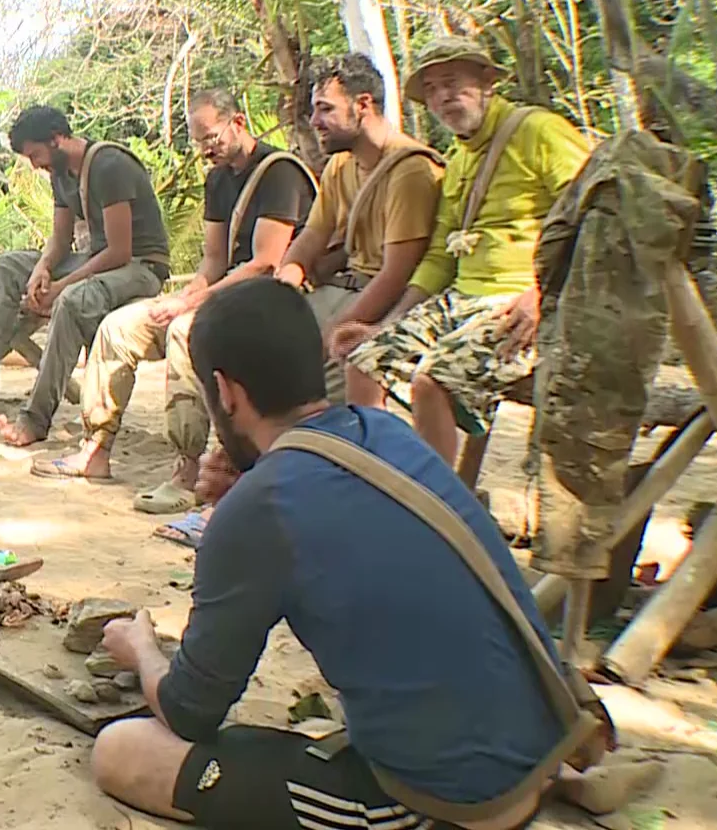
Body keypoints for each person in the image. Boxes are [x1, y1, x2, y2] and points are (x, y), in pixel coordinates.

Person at [90, 278, 627, 830]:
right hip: (542, 743)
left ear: (225, 392)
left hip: (454, 803)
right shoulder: (388, 433)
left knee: (122, 750)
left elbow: (189, 709)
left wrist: (142, 651)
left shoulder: (259, 507)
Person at [34, 90, 313, 525]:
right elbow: (213, 261)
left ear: (238, 122)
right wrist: (184, 295)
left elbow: (265, 262)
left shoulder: (279, 174)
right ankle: (96, 447)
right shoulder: (218, 179)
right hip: (221, 292)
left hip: (267, 300)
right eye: (198, 140)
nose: (206, 148)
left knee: (186, 331)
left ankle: (188, 467)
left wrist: (193, 302)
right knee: (118, 327)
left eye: (211, 136)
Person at [330, 37, 593, 468]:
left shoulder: (539, 131)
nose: (441, 97)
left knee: (431, 381)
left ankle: (438, 507)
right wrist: (389, 323)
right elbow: (439, 257)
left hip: (521, 305)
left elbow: (594, 217)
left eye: (452, 83)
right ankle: (376, 483)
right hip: (460, 302)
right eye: (430, 90)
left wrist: (542, 296)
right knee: (363, 361)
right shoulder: (458, 158)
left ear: (488, 82)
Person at [0, 105, 169, 445]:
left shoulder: (110, 166)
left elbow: (119, 252)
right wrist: (42, 270)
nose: (35, 165)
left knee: (71, 300)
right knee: (8, 266)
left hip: (140, 268)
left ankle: (36, 418)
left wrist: (61, 286)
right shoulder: (61, 174)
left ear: (57, 139)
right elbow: (60, 239)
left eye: (36, 155)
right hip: (99, 259)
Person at [274, 54, 444, 397]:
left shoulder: (410, 170)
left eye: (325, 109)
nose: (314, 121)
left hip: (388, 300)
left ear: (363, 104)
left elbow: (396, 275)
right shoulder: (340, 165)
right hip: (342, 289)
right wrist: (280, 293)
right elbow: (313, 237)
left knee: (315, 375)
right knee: (254, 339)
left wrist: (336, 331)